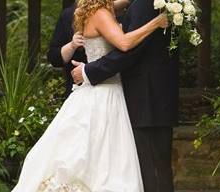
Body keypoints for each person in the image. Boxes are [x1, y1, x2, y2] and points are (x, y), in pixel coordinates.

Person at [12, 0, 168, 191]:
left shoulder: (95, 10)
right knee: (99, 158)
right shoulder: (101, 13)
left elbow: (120, 4)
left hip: (103, 90)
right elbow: (125, 44)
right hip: (104, 94)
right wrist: (156, 23)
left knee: (101, 157)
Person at [71, 0, 179, 191]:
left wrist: (89, 71)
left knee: (147, 167)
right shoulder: (105, 12)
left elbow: (129, 48)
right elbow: (125, 43)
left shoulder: (140, 5)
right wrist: (156, 22)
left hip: (143, 96)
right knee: (140, 166)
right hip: (122, 95)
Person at [48, 0, 130, 97]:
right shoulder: (69, 15)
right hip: (81, 87)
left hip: (119, 85)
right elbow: (54, 58)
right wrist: (72, 45)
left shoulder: (122, 13)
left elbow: (125, 48)